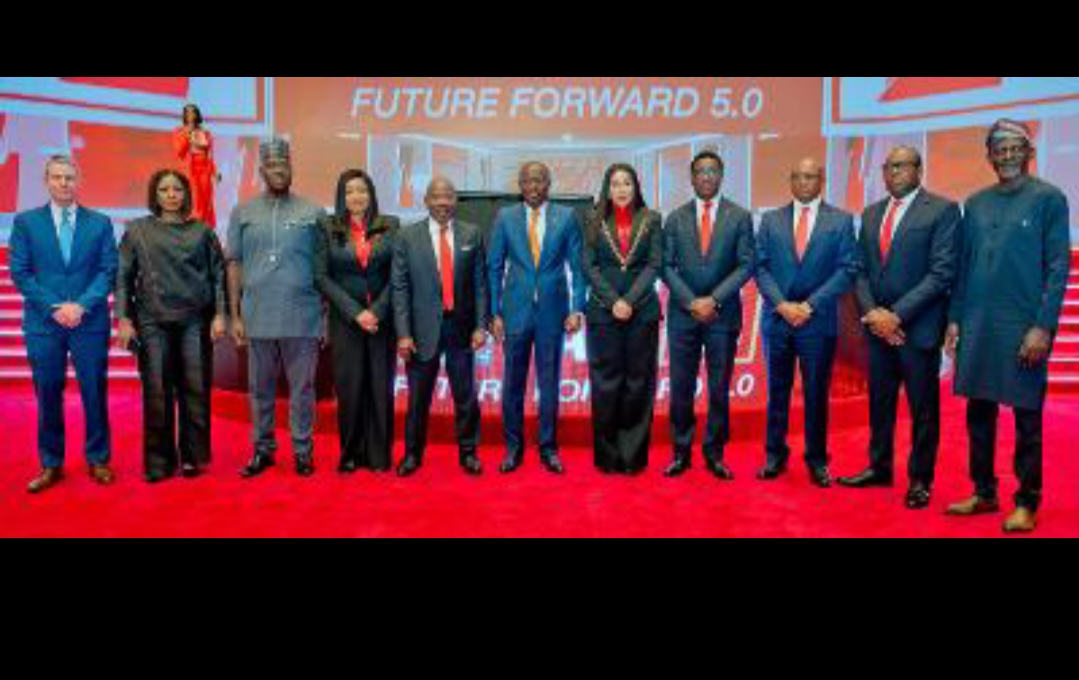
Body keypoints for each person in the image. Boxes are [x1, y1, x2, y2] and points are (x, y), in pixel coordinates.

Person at [944, 119, 1072, 533]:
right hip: (978, 324)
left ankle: (1027, 502)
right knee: (978, 414)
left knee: (1027, 418)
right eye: (1000, 150)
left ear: (1029, 153)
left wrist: (1043, 328)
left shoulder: (1049, 199)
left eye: (1016, 148)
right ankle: (984, 492)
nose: (1008, 156)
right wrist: (955, 319)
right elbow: (963, 267)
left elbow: (1058, 268)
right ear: (990, 157)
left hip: (1023, 327)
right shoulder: (975, 203)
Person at [837, 147, 959, 509]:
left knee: (923, 410)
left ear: (919, 170)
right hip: (877, 330)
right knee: (880, 403)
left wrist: (896, 316)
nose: (893, 173)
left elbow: (941, 273)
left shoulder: (943, 210)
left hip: (917, 329)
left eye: (901, 166)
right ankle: (879, 467)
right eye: (888, 167)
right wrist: (874, 314)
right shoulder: (872, 213)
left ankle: (920, 480)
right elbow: (860, 270)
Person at [9, 155, 119, 493]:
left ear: (78, 181)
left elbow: (108, 270)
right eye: (57, 177)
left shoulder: (100, 223)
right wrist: (53, 307)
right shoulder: (26, 222)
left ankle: (98, 459)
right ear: (46, 180)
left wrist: (82, 305)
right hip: (44, 323)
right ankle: (51, 463)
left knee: (94, 391)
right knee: (47, 393)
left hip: (89, 321)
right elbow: (20, 272)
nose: (63, 183)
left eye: (69, 177)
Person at [115, 170, 228, 483]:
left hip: (195, 319)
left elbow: (218, 275)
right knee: (157, 392)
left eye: (177, 189)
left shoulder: (202, 232)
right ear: (155, 194)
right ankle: (158, 462)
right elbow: (123, 277)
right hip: (152, 321)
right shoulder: (137, 231)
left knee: (195, 389)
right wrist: (124, 318)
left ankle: (193, 457)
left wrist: (220, 314)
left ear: (186, 194)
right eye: (164, 189)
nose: (171, 195)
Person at [227, 138, 327, 478]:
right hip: (257, 314)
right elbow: (234, 264)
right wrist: (235, 315)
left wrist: (325, 316)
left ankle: (302, 451)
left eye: (283, 165)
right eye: (272, 166)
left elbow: (324, 267)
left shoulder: (313, 212)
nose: (278, 171)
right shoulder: (242, 212)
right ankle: (263, 450)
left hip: (303, 314)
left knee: (303, 390)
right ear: (262, 171)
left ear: (291, 168)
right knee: (260, 390)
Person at [755, 158, 858, 488]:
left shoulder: (840, 221)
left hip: (818, 322)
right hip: (777, 319)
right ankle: (774, 455)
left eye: (810, 176)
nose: (803, 182)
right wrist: (782, 305)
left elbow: (847, 270)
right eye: (797, 176)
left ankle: (817, 460)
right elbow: (759, 267)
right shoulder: (770, 220)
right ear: (790, 180)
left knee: (816, 394)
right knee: (777, 391)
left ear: (821, 180)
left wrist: (810, 306)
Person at [662, 150, 755, 480]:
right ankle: (681, 452)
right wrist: (692, 302)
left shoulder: (739, 216)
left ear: (721, 176)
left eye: (712, 171)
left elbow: (747, 264)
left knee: (718, 388)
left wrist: (713, 299)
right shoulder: (675, 218)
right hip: (683, 315)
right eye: (700, 171)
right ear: (691, 178)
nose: (706, 176)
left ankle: (715, 454)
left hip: (722, 315)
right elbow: (665, 266)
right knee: (681, 387)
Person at [488, 162, 585, 475]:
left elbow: (578, 268)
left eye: (539, 180)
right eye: (528, 181)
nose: (533, 186)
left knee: (550, 382)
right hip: (515, 312)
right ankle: (513, 448)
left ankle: (548, 448)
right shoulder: (505, 217)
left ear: (548, 184)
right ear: (520, 185)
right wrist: (494, 312)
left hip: (552, 313)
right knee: (512, 384)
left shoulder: (566, 217)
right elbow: (494, 267)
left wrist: (576, 308)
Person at [392, 177, 488, 477]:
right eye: (437, 197)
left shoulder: (472, 233)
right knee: (418, 400)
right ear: (426, 201)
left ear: (455, 200)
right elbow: (400, 288)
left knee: (465, 397)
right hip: (421, 332)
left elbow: (480, 285)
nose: (443, 202)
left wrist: (480, 326)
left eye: (448, 196)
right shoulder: (407, 237)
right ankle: (412, 455)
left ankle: (469, 453)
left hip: (461, 329)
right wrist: (404, 334)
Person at [315, 169, 400, 474]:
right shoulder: (328, 227)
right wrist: (356, 313)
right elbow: (321, 276)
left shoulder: (390, 225)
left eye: (362, 190)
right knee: (350, 387)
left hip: (381, 320)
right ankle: (350, 453)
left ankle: (378, 455)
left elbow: (398, 273)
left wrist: (376, 310)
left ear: (371, 194)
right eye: (349, 191)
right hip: (346, 320)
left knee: (379, 386)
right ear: (342, 196)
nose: (356, 197)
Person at [582, 163, 663, 475]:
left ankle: (633, 457)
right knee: (606, 384)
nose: (621, 189)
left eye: (627, 183)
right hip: (603, 314)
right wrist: (614, 301)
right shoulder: (592, 218)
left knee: (638, 384)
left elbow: (654, 264)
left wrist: (629, 300)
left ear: (636, 187)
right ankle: (607, 457)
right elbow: (588, 266)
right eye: (615, 183)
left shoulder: (652, 219)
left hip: (642, 313)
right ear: (607, 188)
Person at [173, 104, 218, 227]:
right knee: (195, 199)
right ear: (184, 116)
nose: (190, 115)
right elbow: (180, 153)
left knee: (206, 200)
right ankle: (194, 227)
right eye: (187, 113)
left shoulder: (205, 133)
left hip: (205, 170)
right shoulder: (179, 131)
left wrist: (214, 172)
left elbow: (210, 155)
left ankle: (206, 228)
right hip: (190, 170)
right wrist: (187, 135)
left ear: (197, 114)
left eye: (192, 112)